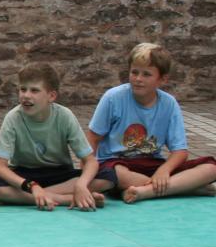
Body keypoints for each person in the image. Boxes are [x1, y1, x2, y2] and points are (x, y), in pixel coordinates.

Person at [86, 43, 216, 203]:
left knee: (211, 167)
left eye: (146, 74)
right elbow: (92, 138)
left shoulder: (169, 104)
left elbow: (180, 151)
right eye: (134, 72)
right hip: (115, 164)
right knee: (117, 174)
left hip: (150, 164)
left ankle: (145, 191)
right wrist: (87, 172)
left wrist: (163, 170)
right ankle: (183, 188)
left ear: (162, 79)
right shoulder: (113, 98)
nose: (138, 79)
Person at [0, 64, 106, 210]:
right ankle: (66, 199)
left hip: (60, 173)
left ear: (51, 96)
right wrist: (32, 187)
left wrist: (81, 185)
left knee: (108, 175)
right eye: (23, 89)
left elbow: (90, 160)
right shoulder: (13, 118)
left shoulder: (64, 116)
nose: (26, 95)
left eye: (34, 90)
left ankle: (34, 197)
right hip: (26, 175)